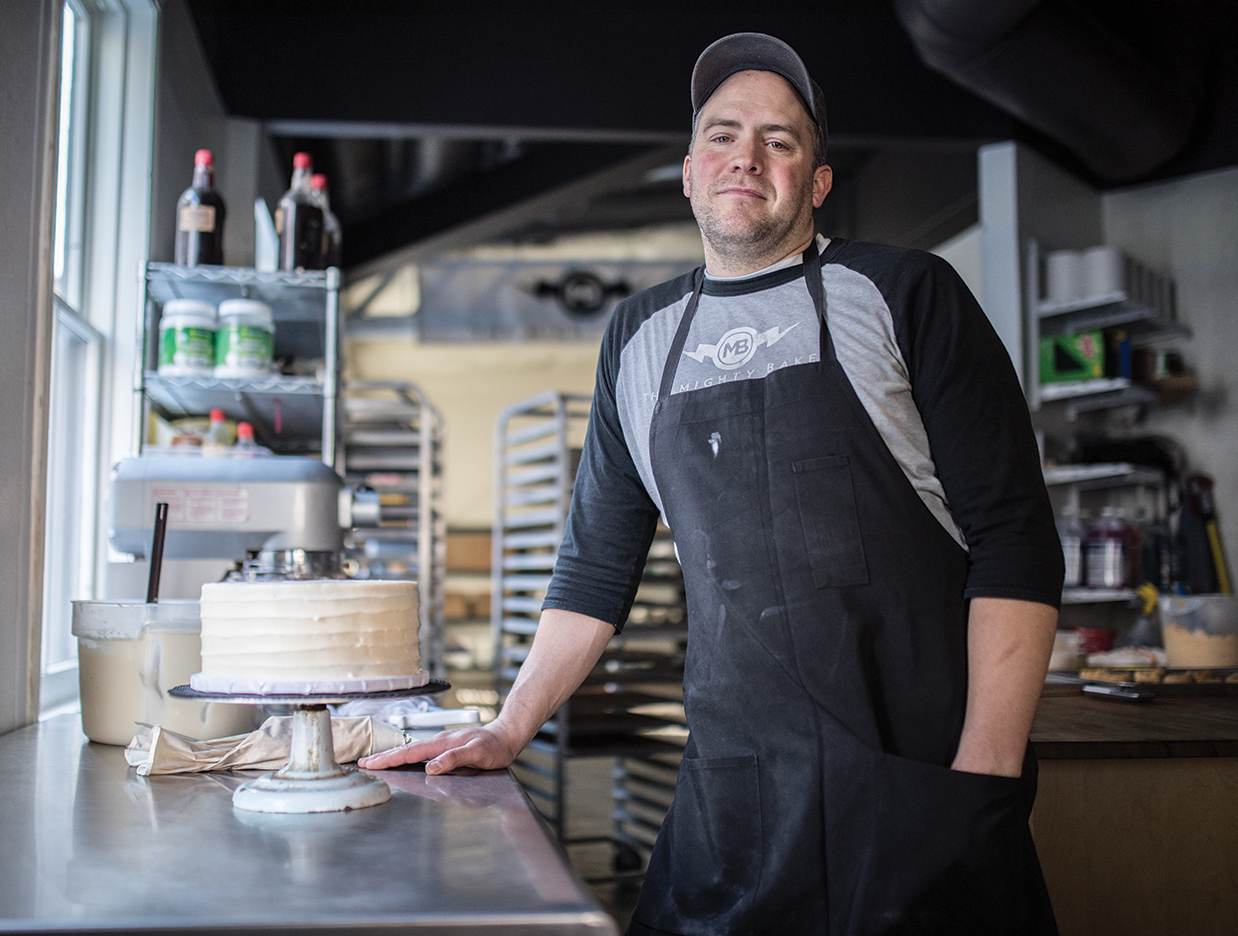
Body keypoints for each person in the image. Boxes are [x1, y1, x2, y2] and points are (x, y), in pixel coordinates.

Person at [362, 32, 1063, 935]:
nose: (748, 156)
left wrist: (982, 784)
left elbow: (1016, 542)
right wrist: (508, 727)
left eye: (781, 140)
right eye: (723, 135)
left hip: (916, 782)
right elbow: (592, 573)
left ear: (816, 182)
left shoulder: (903, 292)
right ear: (690, 172)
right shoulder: (639, 336)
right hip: (732, 798)